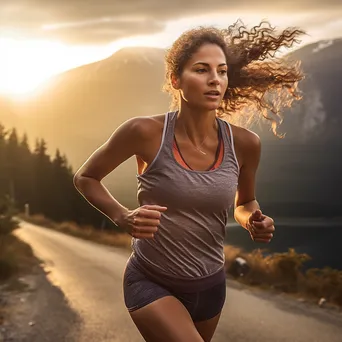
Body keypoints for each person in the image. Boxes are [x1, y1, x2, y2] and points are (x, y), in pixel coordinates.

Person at [73, 20, 305, 342]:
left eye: (222, 71)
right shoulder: (145, 133)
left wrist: (253, 220)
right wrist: (122, 216)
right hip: (151, 281)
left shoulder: (245, 143)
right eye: (201, 70)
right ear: (175, 79)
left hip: (210, 287)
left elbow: (245, 202)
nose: (215, 80)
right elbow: (86, 177)